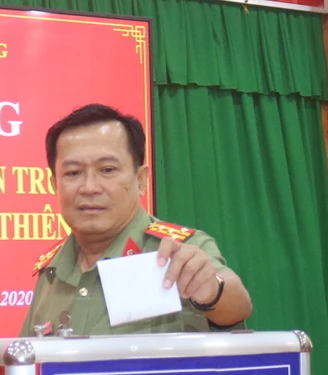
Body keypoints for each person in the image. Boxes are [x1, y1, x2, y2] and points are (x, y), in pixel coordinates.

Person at [19, 104, 253, 337]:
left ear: (140, 180)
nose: (89, 187)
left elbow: (237, 307)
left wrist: (212, 290)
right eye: (73, 173)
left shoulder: (176, 252)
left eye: (107, 170)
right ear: (55, 185)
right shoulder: (51, 271)